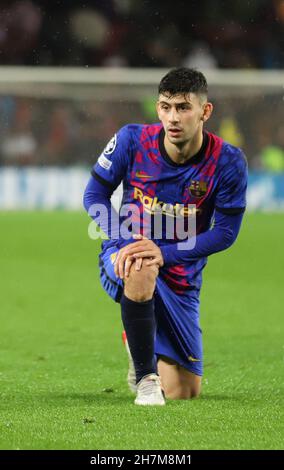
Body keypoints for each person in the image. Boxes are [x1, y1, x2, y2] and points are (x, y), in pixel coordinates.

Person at [83, 68, 247, 406]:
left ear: (205, 112)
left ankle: (137, 336)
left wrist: (166, 253)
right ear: (157, 108)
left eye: (183, 108)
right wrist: (123, 239)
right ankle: (145, 378)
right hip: (124, 252)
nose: (173, 117)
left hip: (181, 275)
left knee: (184, 392)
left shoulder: (228, 162)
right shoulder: (131, 140)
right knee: (140, 264)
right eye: (165, 106)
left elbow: (226, 233)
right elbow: (94, 196)